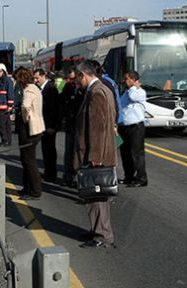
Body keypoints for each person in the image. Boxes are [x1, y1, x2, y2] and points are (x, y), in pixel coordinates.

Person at [74, 60, 116, 249]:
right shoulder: (104, 89)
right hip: (100, 152)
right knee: (95, 197)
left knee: (96, 196)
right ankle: (97, 229)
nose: (77, 83)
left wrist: (95, 156)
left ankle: (102, 235)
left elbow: (97, 128)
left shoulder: (96, 93)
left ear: (83, 75)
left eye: (77, 79)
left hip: (96, 155)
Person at [15, 67, 45, 200]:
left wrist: (24, 117)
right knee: (26, 159)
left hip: (29, 129)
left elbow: (26, 106)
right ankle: (27, 187)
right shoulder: (35, 88)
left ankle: (35, 190)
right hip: (36, 128)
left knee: (28, 160)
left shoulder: (29, 90)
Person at [118, 71, 148, 187]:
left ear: (133, 80)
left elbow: (133, 96)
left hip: (136, 127)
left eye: (126, 79)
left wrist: (135, 87)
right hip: (124, 126)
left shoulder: (140, 92)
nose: (124, 81)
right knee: (125, 153)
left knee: (137, 153)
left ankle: (141, 178)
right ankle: (129, 176)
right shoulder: (126, 92)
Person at [33, 68, 60, 182]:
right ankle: (48, 171)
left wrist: (52, 126)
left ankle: (51, 173)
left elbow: (54, 110)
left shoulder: (51, 88)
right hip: (44, 125)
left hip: (49, 125)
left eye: (37, 78)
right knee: (45, 149)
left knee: (50, 150)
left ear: (43, 76)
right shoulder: (42, 88)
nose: (35, 80)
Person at [60, 67, 84, 186]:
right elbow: (62, 102)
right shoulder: (68, 87)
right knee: (69, 151)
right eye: (71, 79)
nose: (73, 81)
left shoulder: (85, 89)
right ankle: (68, 176)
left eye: (74, 79)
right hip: (71, 123)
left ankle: (79, 177)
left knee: (79, 152)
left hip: (80, 125)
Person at [0, 63, 14, 146]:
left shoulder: (7, 80)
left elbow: (10, 93)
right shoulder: (0, 80)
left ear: (4, 71)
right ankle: (7, 141)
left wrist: (10, 105)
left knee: (0, 123)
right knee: (6, 124)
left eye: (0, 71)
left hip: (4, 106)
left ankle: (5, 140)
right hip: (1, 106)